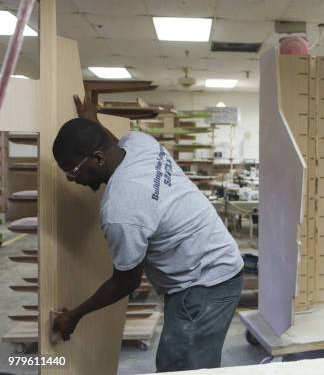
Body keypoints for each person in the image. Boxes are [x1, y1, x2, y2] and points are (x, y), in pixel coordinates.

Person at [51, 95, 244, 371]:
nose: (72, 179)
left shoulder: (120, 211)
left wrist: (76, 315)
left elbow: (126, 282)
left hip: (204, 284)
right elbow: (111, 141)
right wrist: (90, 123)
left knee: (179, 367)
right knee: (189, 362)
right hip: (217, 260)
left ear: (97, 159)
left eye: (72, 171)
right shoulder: (140, 143)